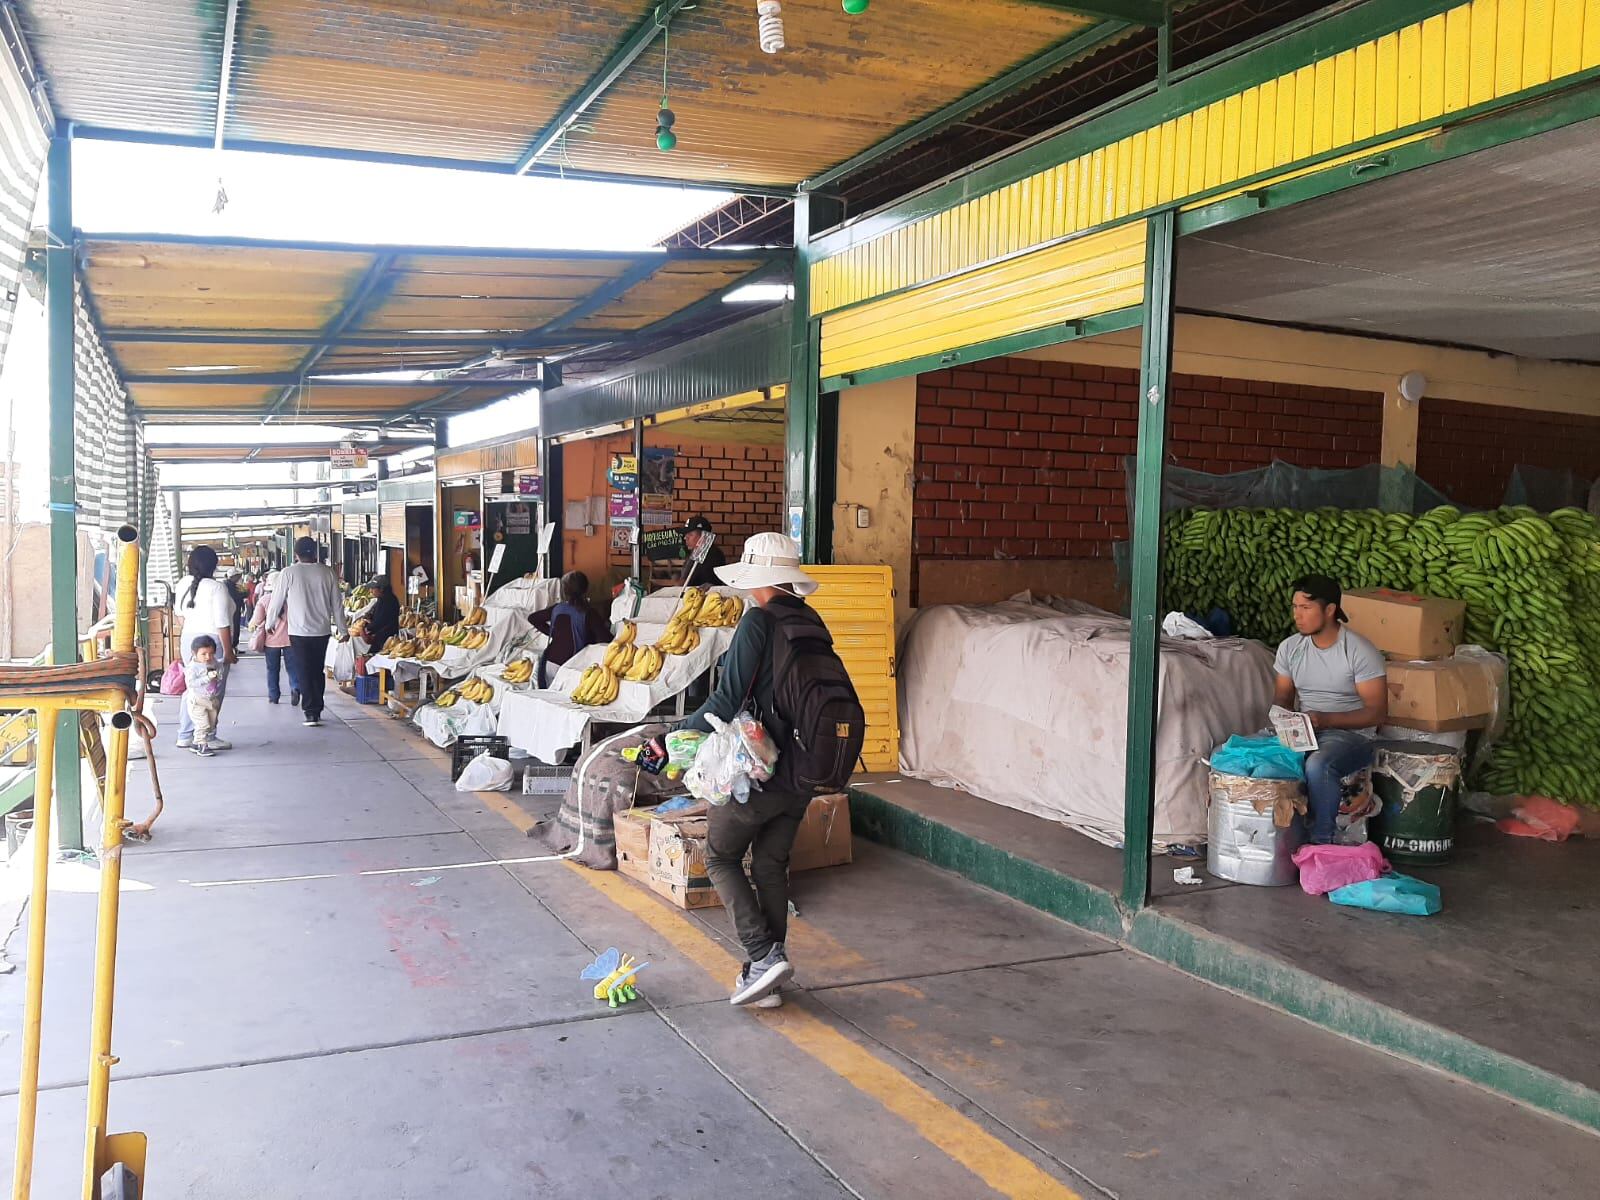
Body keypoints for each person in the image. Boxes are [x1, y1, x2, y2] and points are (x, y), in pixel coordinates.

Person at [651, 532, 844, 1010]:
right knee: (771, 864)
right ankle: (768, 977)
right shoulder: (812, 621)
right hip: (805, 769)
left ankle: (761, 956)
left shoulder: (759, 620)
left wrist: (670, 736)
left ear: (756, 579)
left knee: (719, 855)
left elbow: (725, 699)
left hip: (759, 769)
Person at [1273, 574, 1389, 845]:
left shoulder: (1359, 650)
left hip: (1353, 736)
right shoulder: (1290, 648)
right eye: (1295, 607)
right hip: (1306, 731)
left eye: (1305, 608)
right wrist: (1283, 721)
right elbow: (1283, 696)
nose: (1297, 616)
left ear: (1329, 610)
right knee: (1244, 755)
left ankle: (1321, 841)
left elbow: (1377, 712)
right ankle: (1279, 842)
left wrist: (1326, 720)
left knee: (1318, 764)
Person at [266, 536, 349, 728]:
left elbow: (276, 601)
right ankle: (316, 707)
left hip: (298, 632)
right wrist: (342, 629)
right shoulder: (327, 572)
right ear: (316, 552)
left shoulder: (288, 573)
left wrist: (269, 623)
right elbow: (337, 604)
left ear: (296, 554)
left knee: (304, 670)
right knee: (317, 669)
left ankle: (310, 712)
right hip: (321, 631)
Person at [173, 546, 237, 751]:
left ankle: (185, 735)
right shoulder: (217, 588)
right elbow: (222, 624)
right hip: (212, 642)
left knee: (192, 688)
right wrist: (228, 651)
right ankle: (207, 735)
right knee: (212, 690)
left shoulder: (182, 583)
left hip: (189, 640)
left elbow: (180, 616)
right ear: (214, 565)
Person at [529, 571, 610, 687]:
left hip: (549, 664)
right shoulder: (589, 613)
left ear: (565, 590)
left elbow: (533, 618)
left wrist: (553, 633)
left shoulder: (557, 608)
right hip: (571, 667)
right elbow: (605, 639)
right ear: (585, 589)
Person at [250, 570, 302, 706]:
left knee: (272, 669)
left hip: (271, 641)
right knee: (293, 668)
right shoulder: (292, 599)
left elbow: (257, 620)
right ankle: (295, 688)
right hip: (291, 639)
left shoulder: (264, 600)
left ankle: (274, 696)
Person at [184, 635, 226, 757]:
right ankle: (201, 744)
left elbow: (220, 667)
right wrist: (207, 678)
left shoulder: (213, 662)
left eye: (211, 653)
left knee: (211, 723)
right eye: (204, 654)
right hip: (197, 699)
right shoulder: (192, 668)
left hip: (211, 698)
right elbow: (191, 683)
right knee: (203, 723)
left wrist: (218, 674)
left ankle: (196, 743)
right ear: (194, 653)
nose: (208, 657)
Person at [681, 515, 727, 589]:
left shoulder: (711, 555)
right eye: (686, 534)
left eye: (690, 534)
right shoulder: (696, 552)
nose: (686, 537)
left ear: (704, 536)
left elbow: (686, 582)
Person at [359, 576, 402, 653]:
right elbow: (372, 612)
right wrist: (367, 617)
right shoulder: (381, 599)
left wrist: (366, 628)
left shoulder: (388, 601)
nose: (370, 591)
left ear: (381, 589)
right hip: (380, 636)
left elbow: (379, 621)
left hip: (386, 638)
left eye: (373, 588)